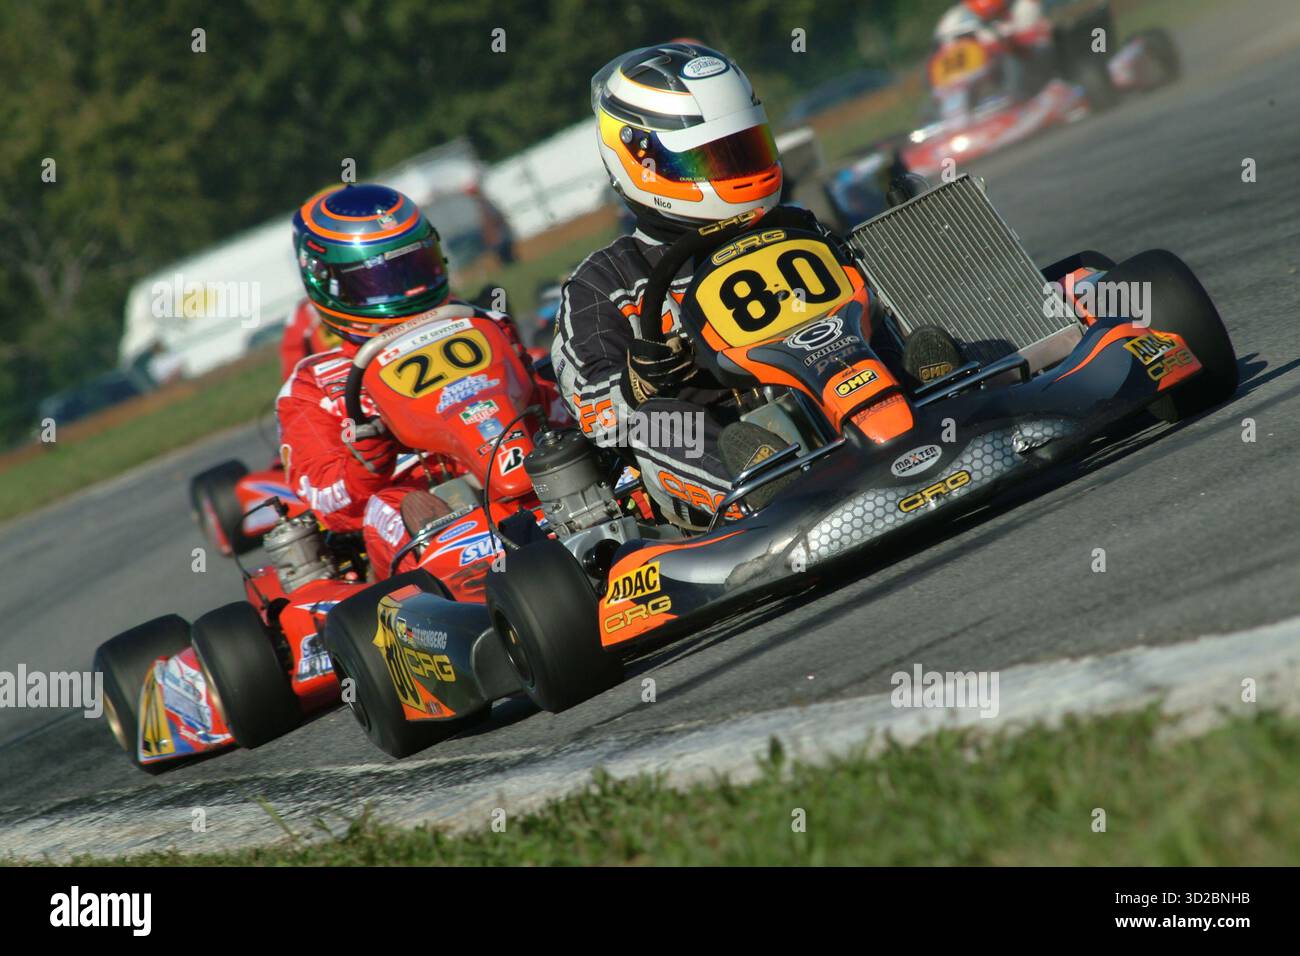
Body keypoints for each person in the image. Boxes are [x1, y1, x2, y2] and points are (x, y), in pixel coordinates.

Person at [551, 42, 958, 529]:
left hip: (834, 395)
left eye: (742, 150)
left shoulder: (794, 223)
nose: (733, 170)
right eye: (709, 160)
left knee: (867, 308)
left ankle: (944, 399)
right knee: (653, 422)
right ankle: (769, 488)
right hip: (726, 437)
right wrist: (635, 383)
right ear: (643, 162)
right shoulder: (605, 281)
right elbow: (589, 407)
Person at [276, 183, 540, 578]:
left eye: (414, 268)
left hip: (526, 472)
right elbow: (324, 501)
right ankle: (464, 584)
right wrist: (364, 466)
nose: (405, 288)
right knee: (400, 505)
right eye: (376, 279)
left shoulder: (485, 324)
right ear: (329, 283)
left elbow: (543, 405)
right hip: (424, 508)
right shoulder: (315, 384)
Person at [934, 0, 1056, 99]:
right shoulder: (953, 20)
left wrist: (1004, 43)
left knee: (1027, 52)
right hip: (971, 76)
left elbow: (1033, 39)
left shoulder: (1024, 6)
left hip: (1023, 70)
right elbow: (944, 55)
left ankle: (1017, 98)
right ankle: (947, 115)